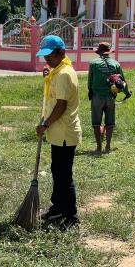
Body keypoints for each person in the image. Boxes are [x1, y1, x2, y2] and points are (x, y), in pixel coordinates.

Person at [35, 35, 81, 229]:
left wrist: (45, 124)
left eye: (50, 55)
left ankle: (71, 215)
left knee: (64, 175)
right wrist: (48, 75)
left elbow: (61, 106)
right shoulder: (59, 71)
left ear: (61, 52)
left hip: (64, 132)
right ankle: (58, 207)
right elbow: (54, 96)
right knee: (57, 171)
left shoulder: (63, 74)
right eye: (44, 56)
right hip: (58, 131)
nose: (47, 59)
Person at [88, 42, 130, 154]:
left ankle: (98, 147)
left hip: (97, 97)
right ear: (108, 52)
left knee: (96, 123)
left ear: (99, 52)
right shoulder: (116, 64)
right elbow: (122, 81)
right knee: (110, 123)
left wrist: (90, 92)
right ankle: (107, 147)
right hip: (111, 97)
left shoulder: (93, 63)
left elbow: (90, 82)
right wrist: (127, 93)